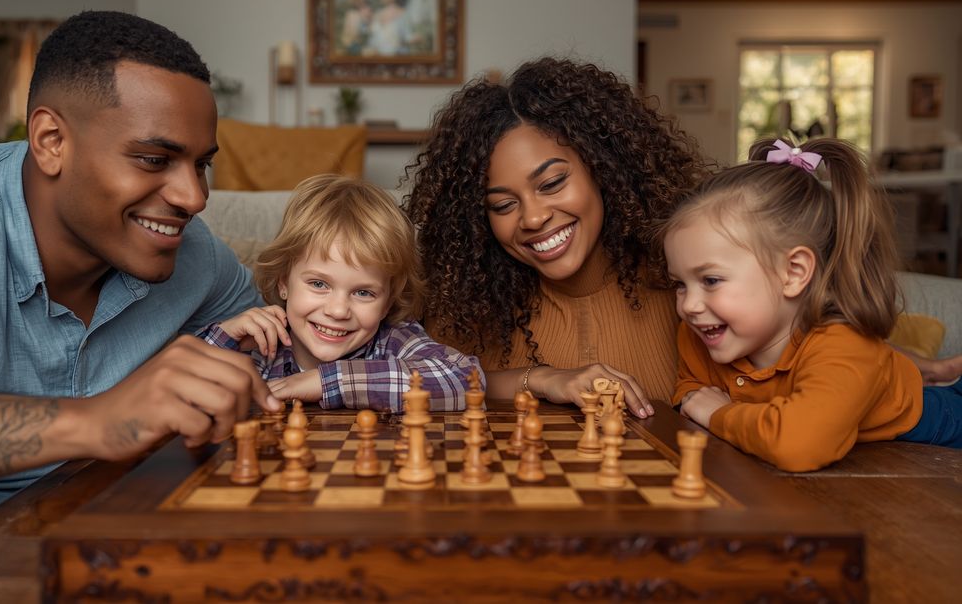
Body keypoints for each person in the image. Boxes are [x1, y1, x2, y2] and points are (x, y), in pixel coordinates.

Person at [0, 11, 277, 571]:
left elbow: (283, 369)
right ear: (50, 141)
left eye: (202, 164)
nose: (194, 197)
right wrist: (94, 422)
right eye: (154, 159)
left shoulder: (197, 259)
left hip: (107, 539)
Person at [404, 57, 706, 416]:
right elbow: (425, 382)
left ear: (603, 166)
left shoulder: (687, 288)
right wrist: (541, 379)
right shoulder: (464, 306)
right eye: (502, 205)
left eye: (551, 183)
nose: (533, 218)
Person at [662, 137, 962, 472]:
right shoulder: (701, 334)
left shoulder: (844, 343)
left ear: (793, 272)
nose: (689, 305)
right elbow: (691, 396)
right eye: (679, 284)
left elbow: (799, 444)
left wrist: (720, 413)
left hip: (938, 425)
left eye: (710, 280)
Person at [200, 174, 481, 413]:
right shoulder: (262, 346)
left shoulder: (393, 340)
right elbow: (182, 391)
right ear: (284, 282)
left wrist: (328, 381)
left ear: (387, 303)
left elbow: (468, 379)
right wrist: (224, 337)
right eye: (319, 284)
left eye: (363, 292)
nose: (337, 311)